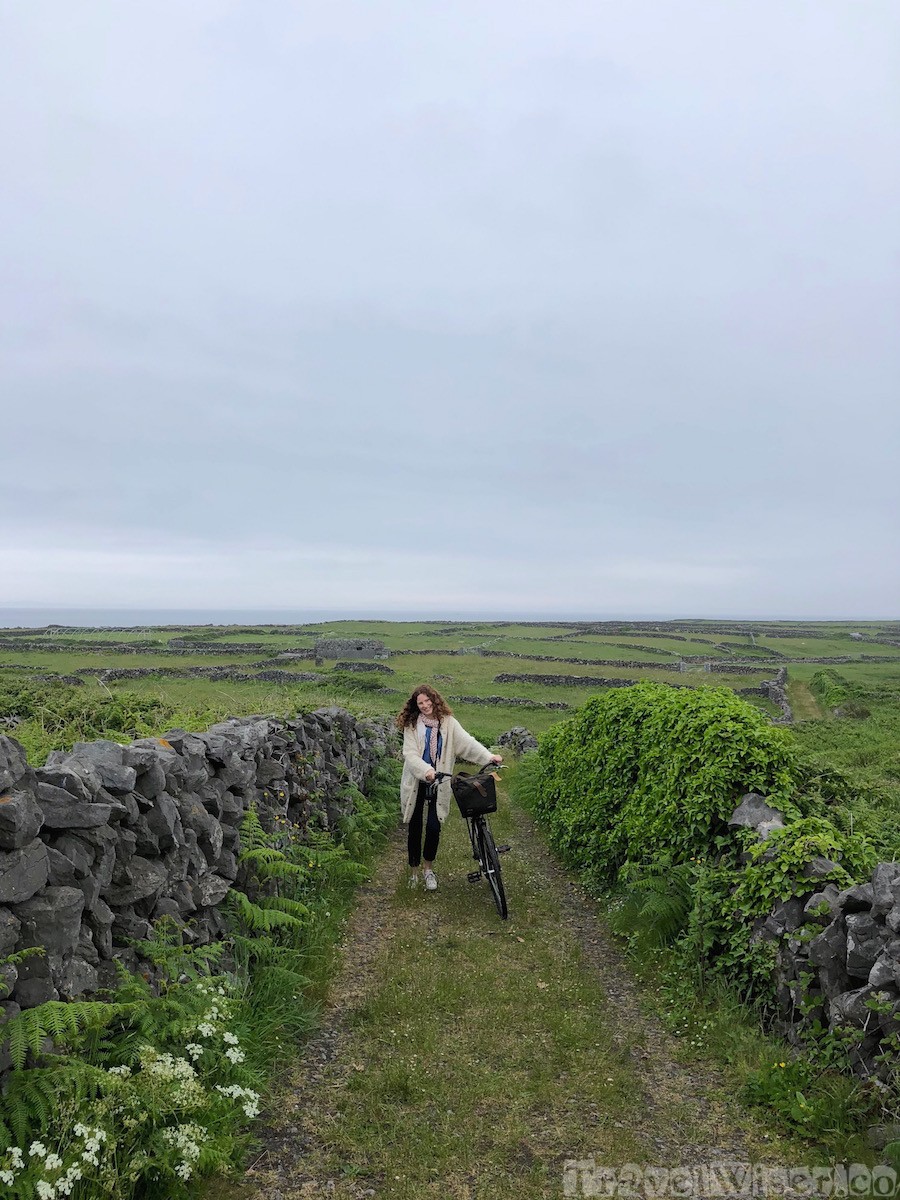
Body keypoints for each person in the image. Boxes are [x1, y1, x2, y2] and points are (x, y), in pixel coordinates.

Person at [396, 685, 502, 891]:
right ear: (416, 706)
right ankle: (414, 872)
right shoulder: (411, 725)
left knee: (434, 826)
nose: (425, 705)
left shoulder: (449, 724)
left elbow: (467, 744)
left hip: (440, 780)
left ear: (435, 700)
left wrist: (489, 757)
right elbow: (410, 755)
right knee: (415, 826)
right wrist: (426, 771)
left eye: (428, 701)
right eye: (421, 703)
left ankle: (428, 870)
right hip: (417, 780)